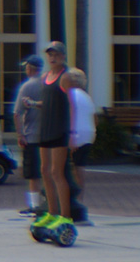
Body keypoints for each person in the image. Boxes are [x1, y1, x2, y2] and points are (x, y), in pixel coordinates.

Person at [30, 41, 77, 232]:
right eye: (50, 54)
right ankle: (52, 212)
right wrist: (34, 104)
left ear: (63, 56)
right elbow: (48, 101)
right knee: (44, 171)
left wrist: (73, 133)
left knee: (58, 173)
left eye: (56, 54)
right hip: (46, 129)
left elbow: (72, 105)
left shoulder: (65, 77)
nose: (52, 57)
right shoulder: (44, 77)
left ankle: (66, 216)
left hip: (60, 130)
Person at [15, 55, 46, 216]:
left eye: (26, 67)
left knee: (32, 173)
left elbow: (17, 113)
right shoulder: (47, 84)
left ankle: (34, 206)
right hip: (47, 136)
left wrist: (20, 134)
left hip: (31, 135)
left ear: (30, 68)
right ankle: (47, 203)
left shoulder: (26, 87)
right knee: (47, 171)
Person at [63, 68, 94, 226]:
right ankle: (79, 199)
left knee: (69, 168)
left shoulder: (70, 95)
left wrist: (71, 135)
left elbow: (70, 115)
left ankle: (70, 199)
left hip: (75, 133)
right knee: (80, 167)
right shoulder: (86, 96)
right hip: (88, 133)